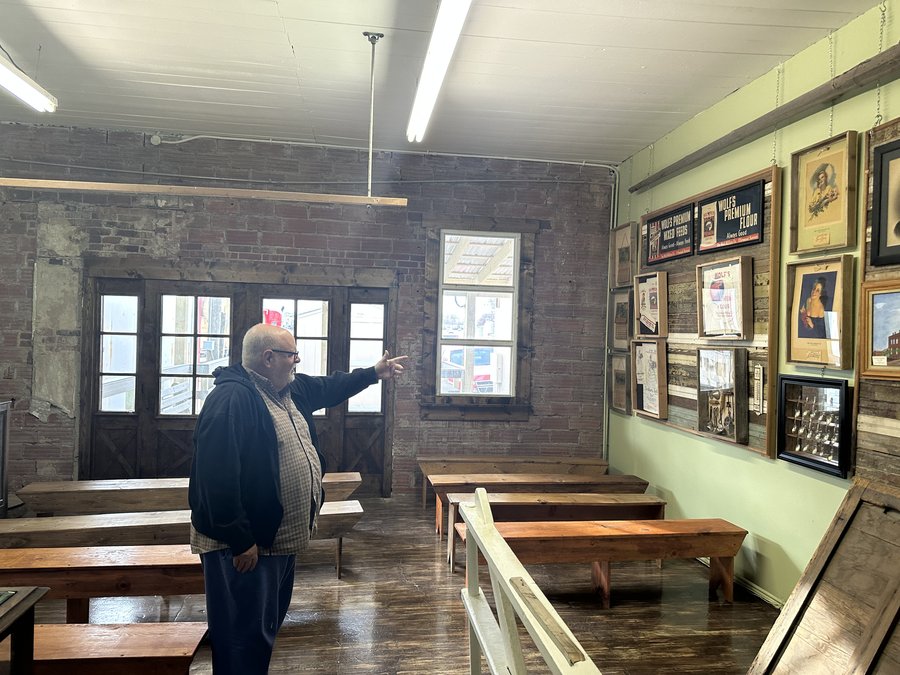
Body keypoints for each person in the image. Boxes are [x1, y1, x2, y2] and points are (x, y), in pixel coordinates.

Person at [188, 322, 407, 674]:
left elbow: (330, 386)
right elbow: (215, 479)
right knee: (240, 637)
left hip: (277, 542)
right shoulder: (231, 400)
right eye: (292, 354)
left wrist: (373, 373)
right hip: (244, 549)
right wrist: (241, 540)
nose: (298, 360)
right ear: (269, 358)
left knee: (261, 633)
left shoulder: (288, 390)